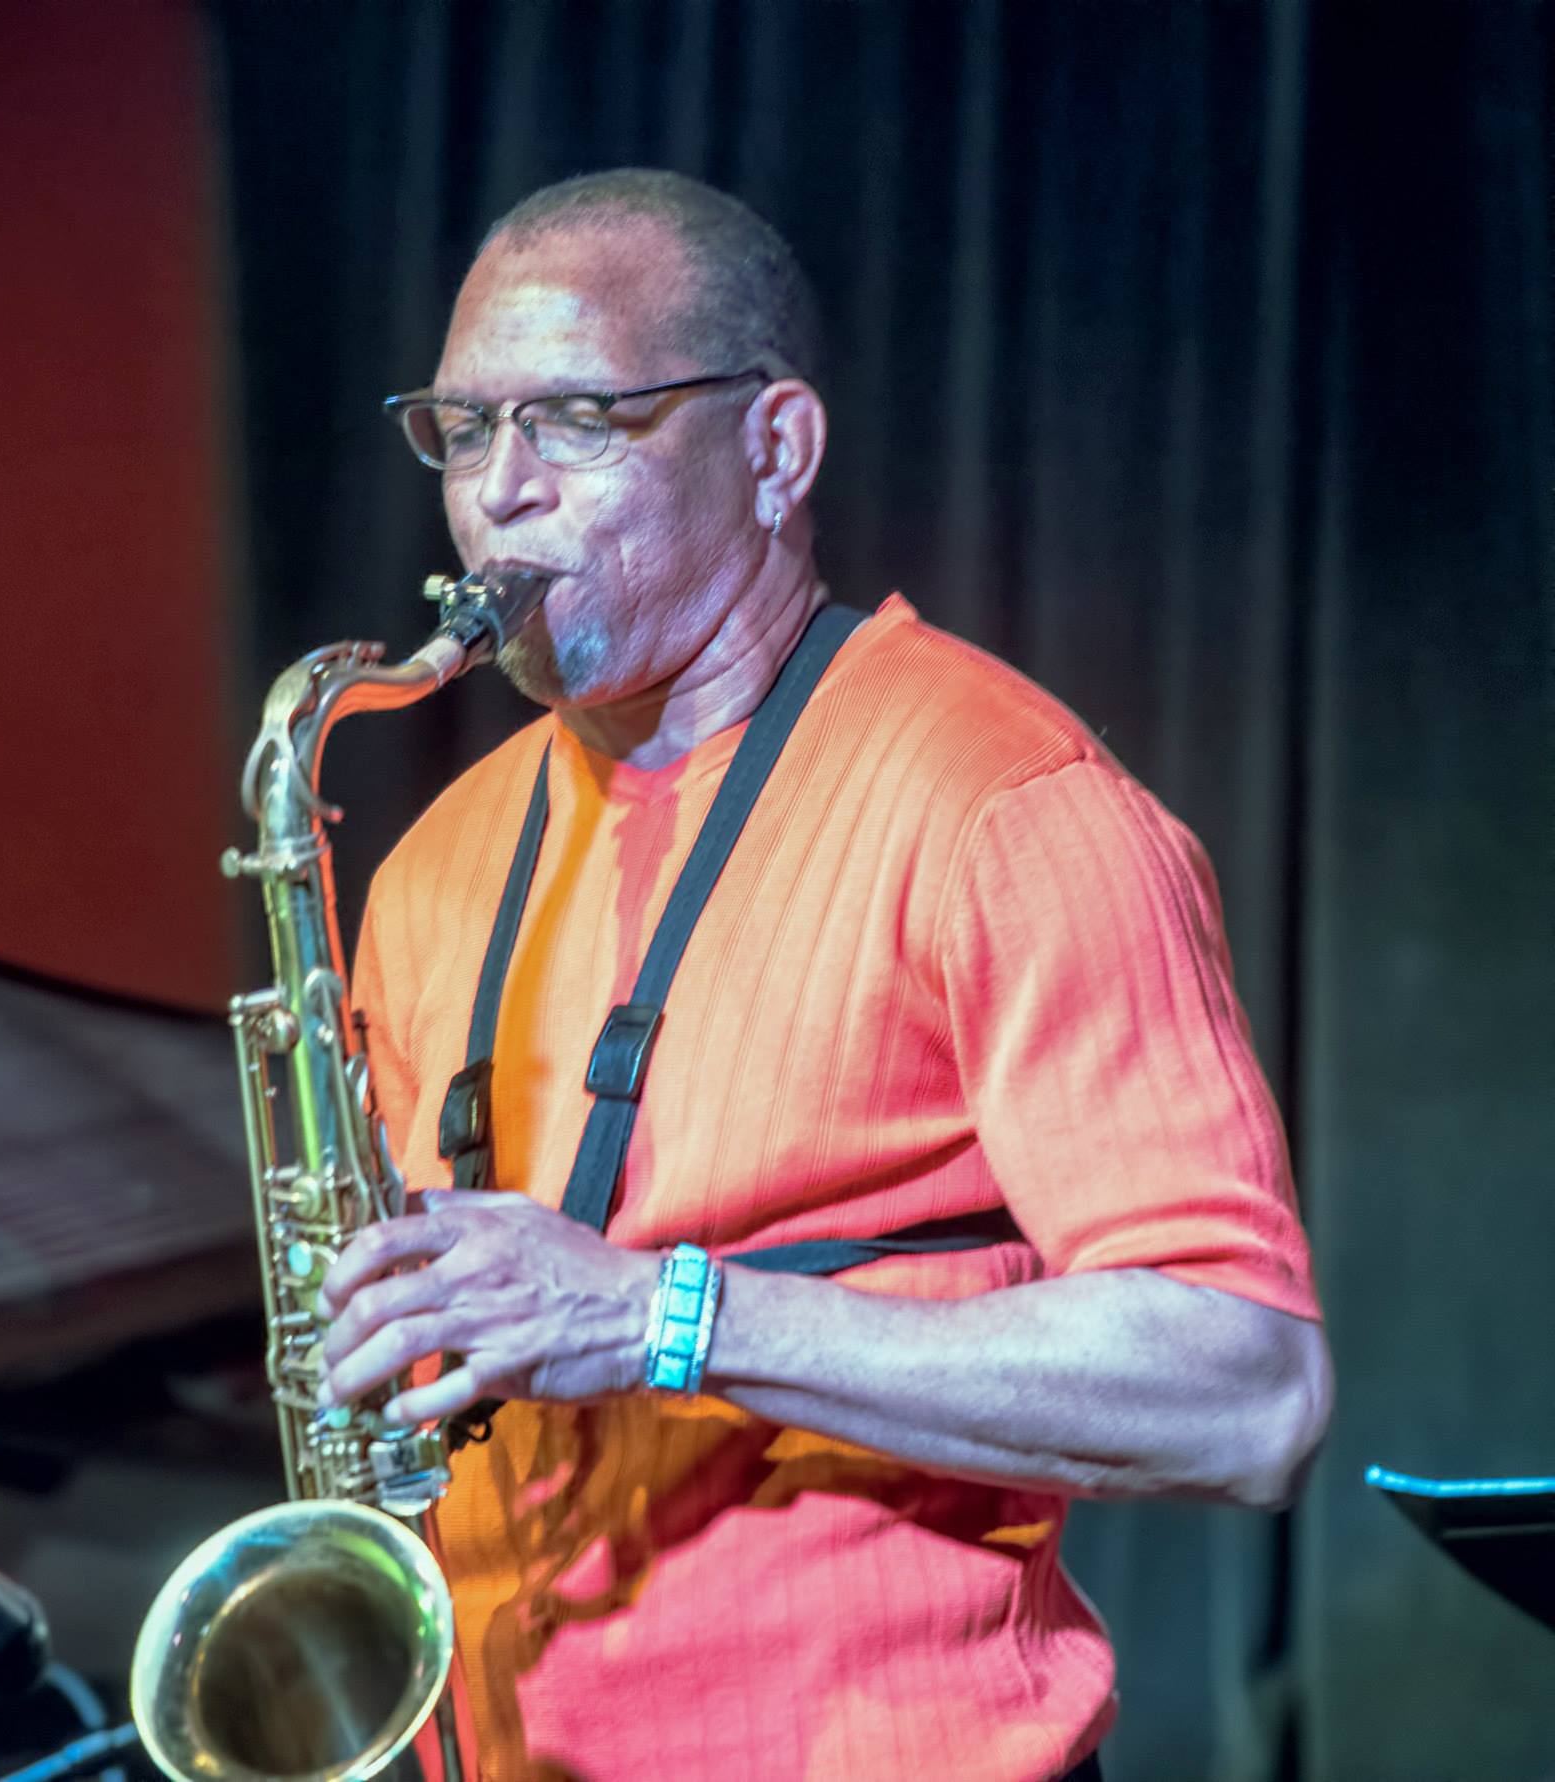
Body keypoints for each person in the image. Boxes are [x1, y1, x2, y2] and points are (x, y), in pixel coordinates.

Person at [316, 169, 1330, 1782]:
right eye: (460, 429)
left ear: (777, 449)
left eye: (576, 420)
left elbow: (1248, 1388)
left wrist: (666, 1315)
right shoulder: (431, 865)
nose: (499, 492)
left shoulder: (1005, 801)